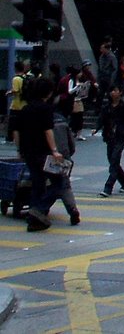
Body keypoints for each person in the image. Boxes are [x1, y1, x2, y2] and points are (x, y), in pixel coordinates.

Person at [15, 78, 65, 231]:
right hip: (43, 153)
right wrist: (55, 150)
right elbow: (48, 130)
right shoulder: (46, 109)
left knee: (37, 184)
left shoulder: (25, 109)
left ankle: (34, 219)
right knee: (58, 183)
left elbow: (17, 132)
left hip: (29, 152)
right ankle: (39, 209)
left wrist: (20, 150)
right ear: (49, 92)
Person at [93, 83, 124, 197]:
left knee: (114, 159)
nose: (113, 93)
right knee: (112, 161)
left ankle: (108, 187)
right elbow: (101, 119)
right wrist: (96, 128)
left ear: (120, 92)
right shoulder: (107, 107)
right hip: (109, 136)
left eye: (115, 90)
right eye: (111, 91)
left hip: (120, 137)